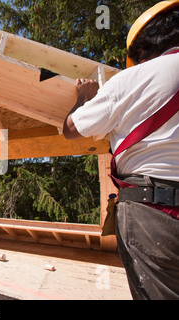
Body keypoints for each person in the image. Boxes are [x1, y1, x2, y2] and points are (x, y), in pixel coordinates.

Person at [63, 1, 179, 299]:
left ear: (143, 47)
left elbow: (70, 129)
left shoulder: (134, 78)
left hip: (155, 214)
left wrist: (84, 97)